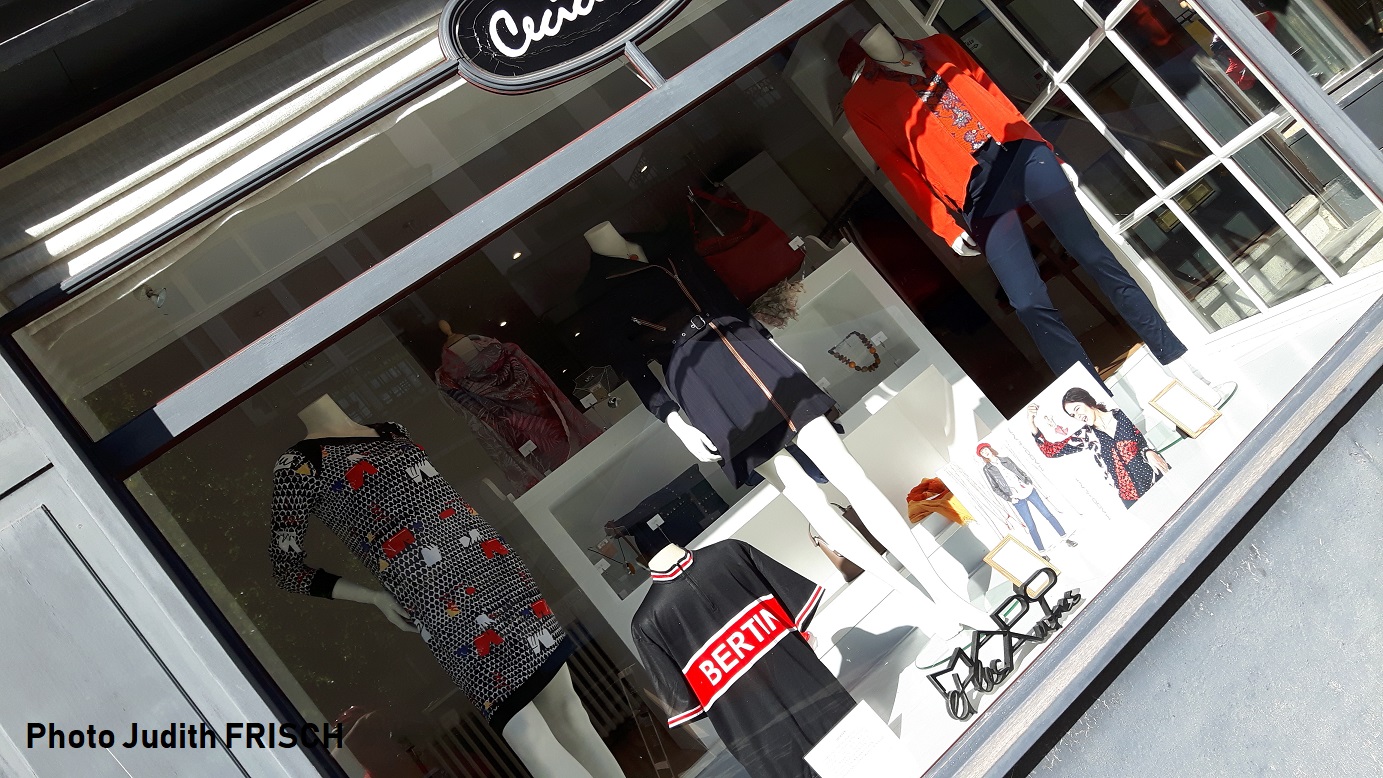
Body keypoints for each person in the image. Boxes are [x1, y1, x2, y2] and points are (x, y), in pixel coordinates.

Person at [1029, 388, 1171, 508]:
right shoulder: (1087, 436)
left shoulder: (1122, 415)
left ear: (1088, 401)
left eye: (1077, 409)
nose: (1078, 416)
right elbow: (1050, 451)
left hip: (1158, 477)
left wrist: (1149, 451)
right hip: (1133, 500)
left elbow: (1144, 440)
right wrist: (1031, 422)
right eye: (1073, 415)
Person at [977, 443, 1075, 554]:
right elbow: (995, 488)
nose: (985, 452)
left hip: (1028, 490)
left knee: (1047, 514)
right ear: (982, 456)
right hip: (1016, 498)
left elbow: (1019, 471)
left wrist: (1029, 482)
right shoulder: (987, 469)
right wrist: (1009, 499)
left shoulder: (1006, 459)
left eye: (985, 449)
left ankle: (1065, 537)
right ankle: (1042, 551)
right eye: (982, 452)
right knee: (1031, 525)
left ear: (990, 449)